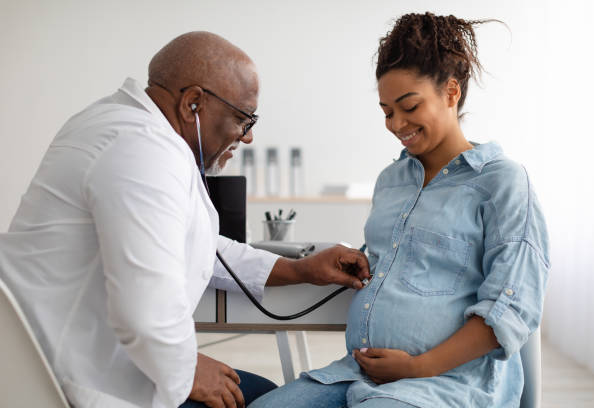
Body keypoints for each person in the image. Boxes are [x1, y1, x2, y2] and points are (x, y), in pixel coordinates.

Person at [0, 32, 370, 408]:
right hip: (75, 380)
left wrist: (301, 269)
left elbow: (201, 247)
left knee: (259, 391)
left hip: (72, 357)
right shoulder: (142, 151)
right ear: (193, 103)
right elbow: (145, 312)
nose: (247, 138)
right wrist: (187, 368)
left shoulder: (130, 130)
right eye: (243, 119)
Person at [250, 12, 550, 408]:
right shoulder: (392, 181)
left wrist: (418, 366)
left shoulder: (503, 183)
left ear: (451, 92)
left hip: (449, 386)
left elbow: (511, 309)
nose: (396, 123)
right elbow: (405, 268)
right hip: (356, 375)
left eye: (409, 106)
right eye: (387, 111)